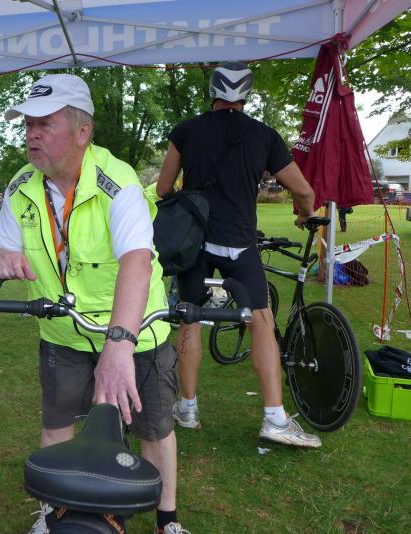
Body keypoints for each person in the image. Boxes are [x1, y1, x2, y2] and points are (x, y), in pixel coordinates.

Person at [0, 74, 186, 534]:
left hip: (137, 332)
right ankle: (51, 514)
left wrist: (119, 345)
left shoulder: (117, 181)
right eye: (28, 125)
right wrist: (2, 259)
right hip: (62, 330)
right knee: (57, 422)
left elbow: (137, 261)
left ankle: (167, 520)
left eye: (45, 124)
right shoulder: (21, 185)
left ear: (83, 132)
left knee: (154, 427)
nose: (32, 134)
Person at [156, 62, 321, 448]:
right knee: (260, 320)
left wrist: (190, 200)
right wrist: (304, 214)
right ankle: (275, 418)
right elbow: (304, 191)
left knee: (191, 319)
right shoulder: (265, 136)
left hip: (196, 243)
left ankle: (188, 408)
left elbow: (163, 188)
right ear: (246, 95)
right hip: (241, 242)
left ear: (213, 93)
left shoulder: (186, 130)